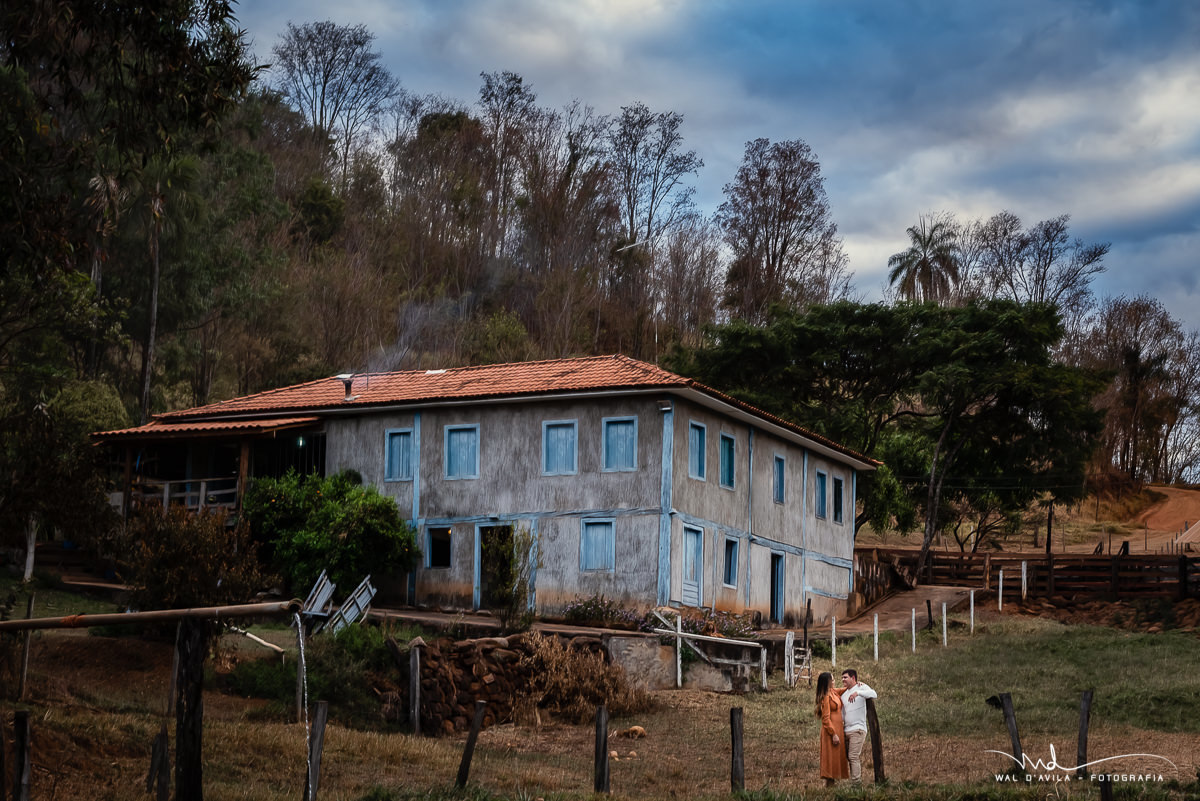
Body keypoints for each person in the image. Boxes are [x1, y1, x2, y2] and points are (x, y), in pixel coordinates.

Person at [835, 668, 878, 782]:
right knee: (848, 758)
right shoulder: (844, 694)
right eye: (842, 677)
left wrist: (858, 693)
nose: (842, 680)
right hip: (846, 730)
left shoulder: (861, 687)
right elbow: (843, 714)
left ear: (853, 678)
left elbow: (874, 694)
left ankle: (856, 784)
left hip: (858, 729)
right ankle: (853, 780)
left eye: (845, 677)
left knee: (853, 756)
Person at [814, 671, 849, 785]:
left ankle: (832, 783)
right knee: (830, 757)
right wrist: (833, 733)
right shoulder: (826, 697)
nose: (834, 681)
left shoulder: (833, 691)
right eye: (832, 680)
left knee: (836, 756)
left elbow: (843, 689)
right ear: (827, 682)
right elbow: (825, 718)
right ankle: (829, 783)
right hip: (831, 731)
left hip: (838, 728)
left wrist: (857, 684)